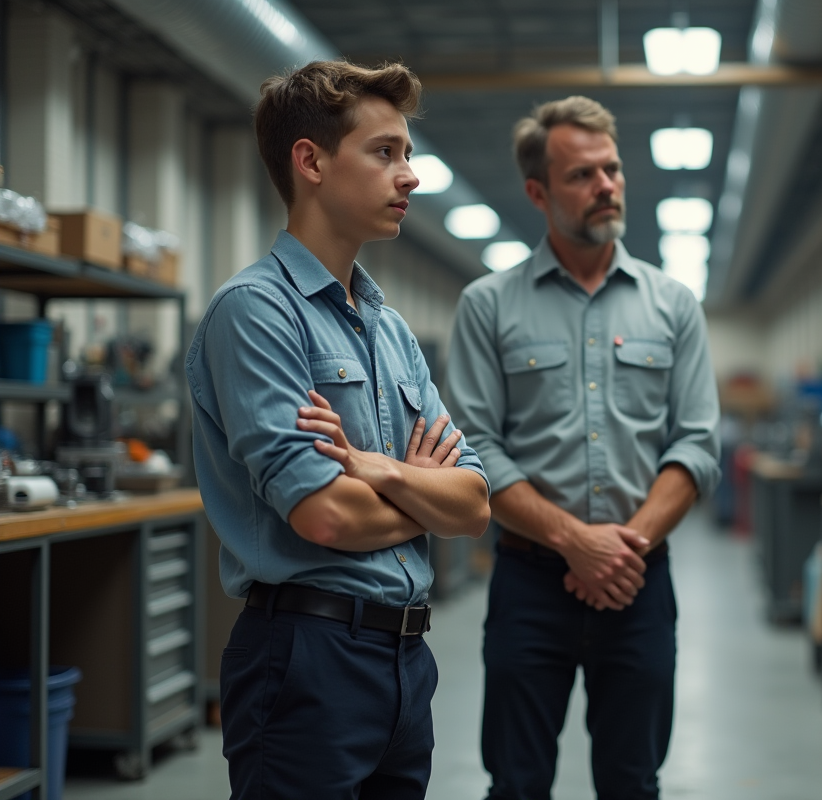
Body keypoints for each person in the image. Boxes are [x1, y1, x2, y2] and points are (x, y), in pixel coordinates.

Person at [187, 60, 490, 800]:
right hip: (305, 658)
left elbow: (476, 504)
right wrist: (420, 489)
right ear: (311, 161)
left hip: (404, 665)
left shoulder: (389, 330)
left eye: (408, 154)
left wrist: (378, 470)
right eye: (385, 152)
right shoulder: (256, 313)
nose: (409, 175)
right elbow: (323, 514)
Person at [447, 96, 721, 800]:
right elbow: (477, 449)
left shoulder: (673, 305)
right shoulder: (489, 305)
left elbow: (694, 445)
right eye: (582, 175)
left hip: (639, 585)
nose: (606, 186)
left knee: (633, 783)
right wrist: (574, 542)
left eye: (613, 169)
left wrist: (618, 549)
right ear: (538, 192)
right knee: (517, 783)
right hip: (528, 586)